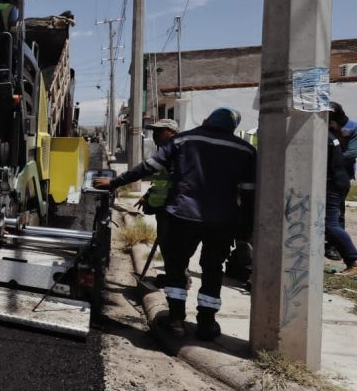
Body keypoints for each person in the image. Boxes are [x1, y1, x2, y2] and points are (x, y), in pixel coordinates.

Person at [103, 107, 256, 340]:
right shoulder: (245, 149)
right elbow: (248, 194)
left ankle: (175, 320)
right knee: (213, 269)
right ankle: (207, 323)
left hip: (183, 216)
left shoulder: (183, 140)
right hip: (222, 221)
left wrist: (114, 182)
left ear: (207, 119)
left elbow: (148, 167)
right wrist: (245, 227)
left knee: (176, 268)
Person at [94, 118, 179, 285]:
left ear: (171, 132)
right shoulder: (169, 150)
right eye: (153, 131)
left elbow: (145, 168)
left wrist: (113, 182)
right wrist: (148, 194)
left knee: (173, 246)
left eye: (159, 131)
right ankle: (173, 277)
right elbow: (165, 179)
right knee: (167, 244)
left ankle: (177, 280)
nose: (154, 135)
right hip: (167, 207)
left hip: (175, 208)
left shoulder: (174, 149)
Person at [325, 126, 357, 275]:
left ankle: (353, 260)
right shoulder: (331, 136)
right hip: (339, 181)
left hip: (333, 184)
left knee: (330, 224)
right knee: (333, 223)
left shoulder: (325, 137)